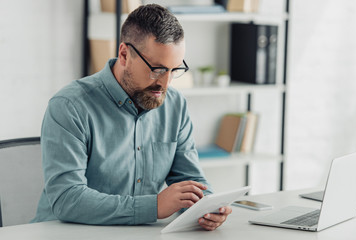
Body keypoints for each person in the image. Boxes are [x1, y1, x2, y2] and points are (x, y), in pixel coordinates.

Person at [32, 4, 232, 231]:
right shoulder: (70, 106)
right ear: (125, 54)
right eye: (157, 69)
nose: (165, 84)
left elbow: (191, 180)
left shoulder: (175, 104)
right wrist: (153, 206)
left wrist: (207, 206)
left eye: (174, 70)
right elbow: (66, 199)